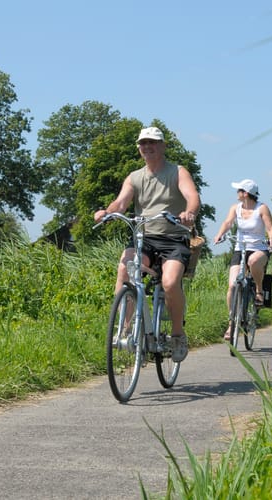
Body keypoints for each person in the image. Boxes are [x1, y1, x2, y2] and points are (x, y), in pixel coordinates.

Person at [94, 126, 200, 363]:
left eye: (152, 143)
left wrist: (189, 213)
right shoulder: (134, 177)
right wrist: (107, 212)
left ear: (163, 146)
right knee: (125, 269)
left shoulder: (177, 172)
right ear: (139, 148)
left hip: (173, 238)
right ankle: (127, 328)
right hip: (145, 239)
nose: (147, 147)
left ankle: (177, 334)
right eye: (143, 143)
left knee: (170, 282)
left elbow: (192, 196)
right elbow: (121, 202)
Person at [213, 179, 272, 340]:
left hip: (258, 248)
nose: (237, 194)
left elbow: (270, 228)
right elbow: (228, 222)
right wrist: (220, 234)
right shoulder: (236, 208)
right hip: (240, 248)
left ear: (246, 193)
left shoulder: (261, 208)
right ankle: (231, 323)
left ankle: (259, 290)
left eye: (239, 191)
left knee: (253, 261)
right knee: (233, 285)